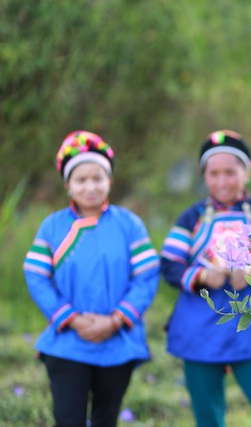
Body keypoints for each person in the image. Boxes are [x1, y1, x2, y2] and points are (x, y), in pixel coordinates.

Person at [160, 130, 251, 427]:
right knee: (207, 416)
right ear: (204, 176)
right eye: (214, 174)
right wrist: (201, 276)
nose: (222, 181)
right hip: (199, 326)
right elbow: (169, 264)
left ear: (246, 172)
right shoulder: (192, 217)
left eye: (230, 172)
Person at [23, 130, 160, 427]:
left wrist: (114, 320)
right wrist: (72, 319)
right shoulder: (53, 227)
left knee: (105, 419)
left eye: (97, 178)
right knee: (67, 418)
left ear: (109, 181)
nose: (90, 187)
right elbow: (35, 275)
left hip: (117, 340)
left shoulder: (129, 225)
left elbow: (147, 275)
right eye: (81, 180)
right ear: (68, 186)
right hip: (68, 340)